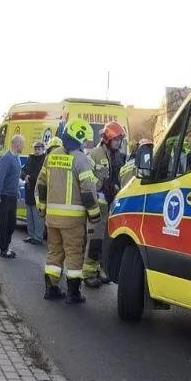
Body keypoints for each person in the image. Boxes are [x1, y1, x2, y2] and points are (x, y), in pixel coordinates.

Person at [36, 119, 100, 303]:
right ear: (79, 138)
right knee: (73, 254)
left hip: (52, 217)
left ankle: (51, 289)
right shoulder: (81, 159)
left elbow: (41, 184)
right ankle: (73, 293)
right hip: (72, 220)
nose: (86, 144)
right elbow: (88, 190)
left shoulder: (52, 155)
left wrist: (42, 207)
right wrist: (95, 214)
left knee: (54, 252)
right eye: (85, 140)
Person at [83, 121, 128, 287]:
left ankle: (97, 269)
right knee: (94, 239)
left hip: (110, 206)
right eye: (116, 139)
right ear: (108, 139)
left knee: (104, 241)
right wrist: (101, 183)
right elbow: (86, 177)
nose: (119, 143)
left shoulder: (116, 156)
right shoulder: (95, 154)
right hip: (97, 205)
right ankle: (88, 274)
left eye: (120, 140)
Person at [0, 134, 24, 258]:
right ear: (17, 144)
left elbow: (15, 177)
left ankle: (7, 246)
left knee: (11, 224)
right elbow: (0, 177)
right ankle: (3, 249)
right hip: (4, 196)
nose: (23, 146)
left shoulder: (17, 158)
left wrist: (22, 182)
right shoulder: (7, 158)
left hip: (12, 196)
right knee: (4, 224)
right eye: (22, 144)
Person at [22, 141, 46, 245]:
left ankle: (38, 237)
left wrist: (30, 177)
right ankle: (31, 235)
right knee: (29, 215)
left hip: (38, 191)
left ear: (43, 149)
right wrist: (24, 176)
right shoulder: (30, 158)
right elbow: (23, 170)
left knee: (38, 216)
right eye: (35, 149)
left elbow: (42, 175)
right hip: (29, 190)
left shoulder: (45, 160)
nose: (36, 151)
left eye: (39, 149)